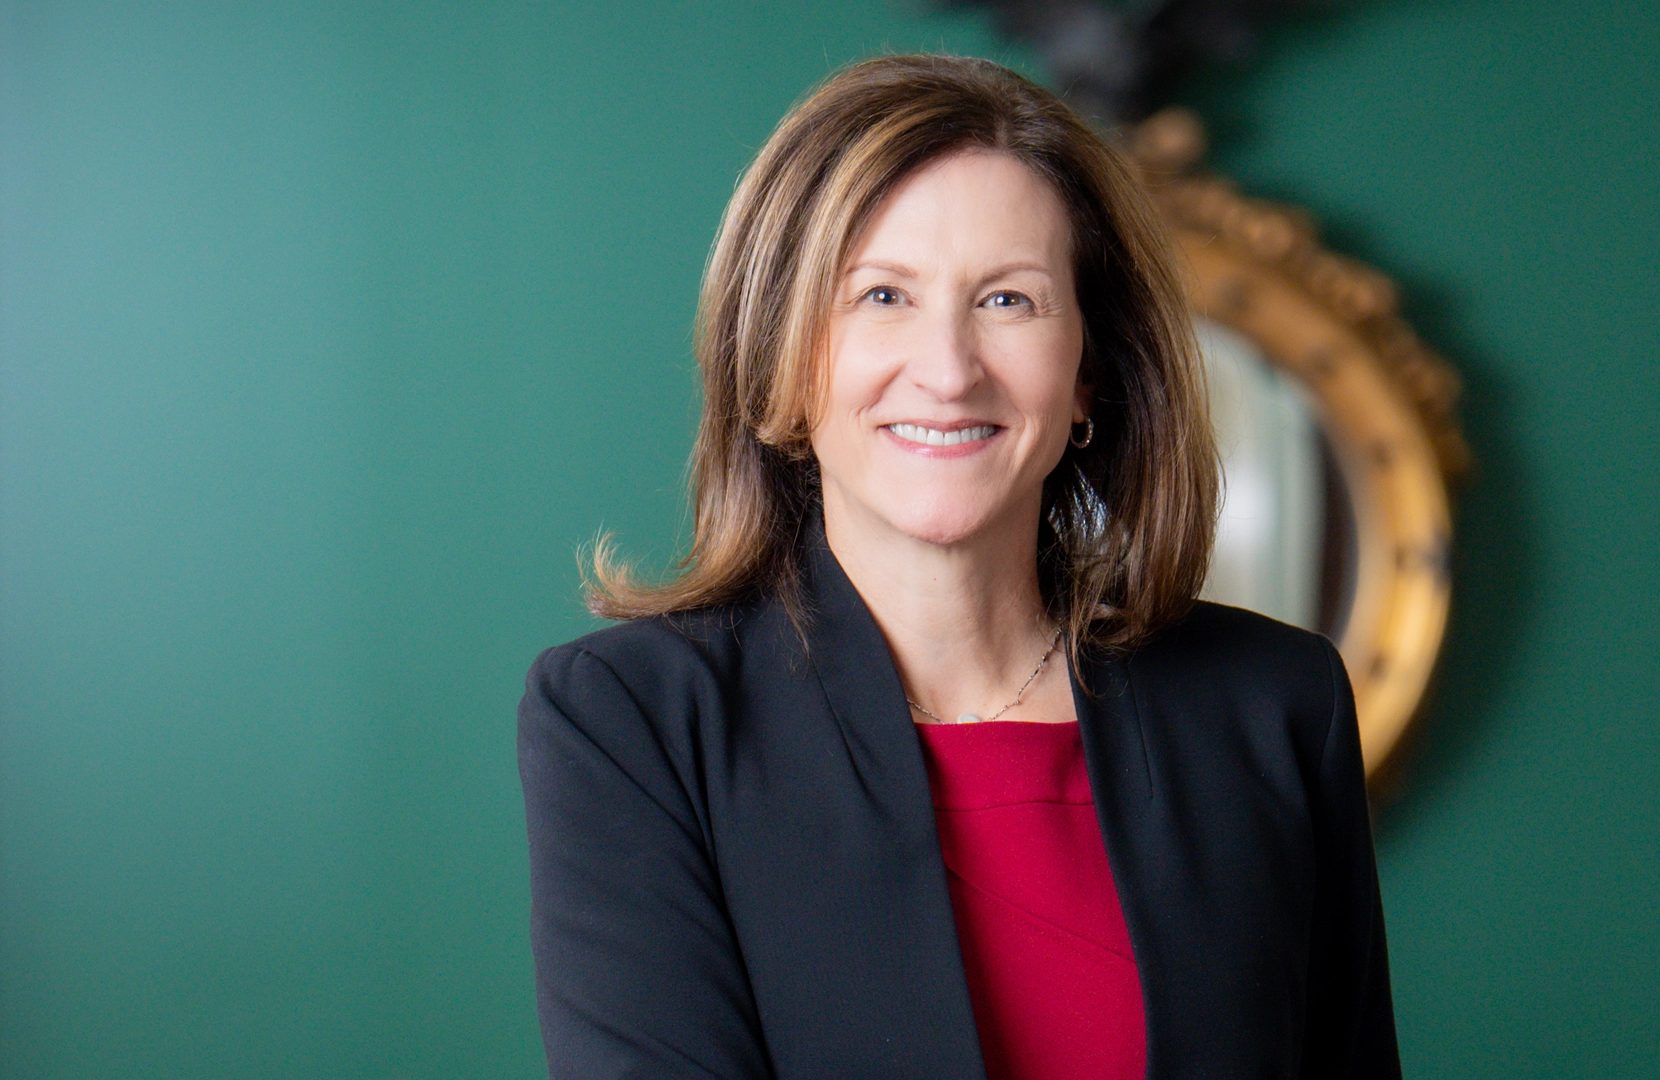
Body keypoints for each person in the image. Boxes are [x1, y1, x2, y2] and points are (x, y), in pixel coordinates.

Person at [518, 53, 1399, 1080]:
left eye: (1010, 301)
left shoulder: (1275, 705)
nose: (948, 370)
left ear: (1090, 372)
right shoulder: (632, 721)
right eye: (882, 295)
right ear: (780, 356)